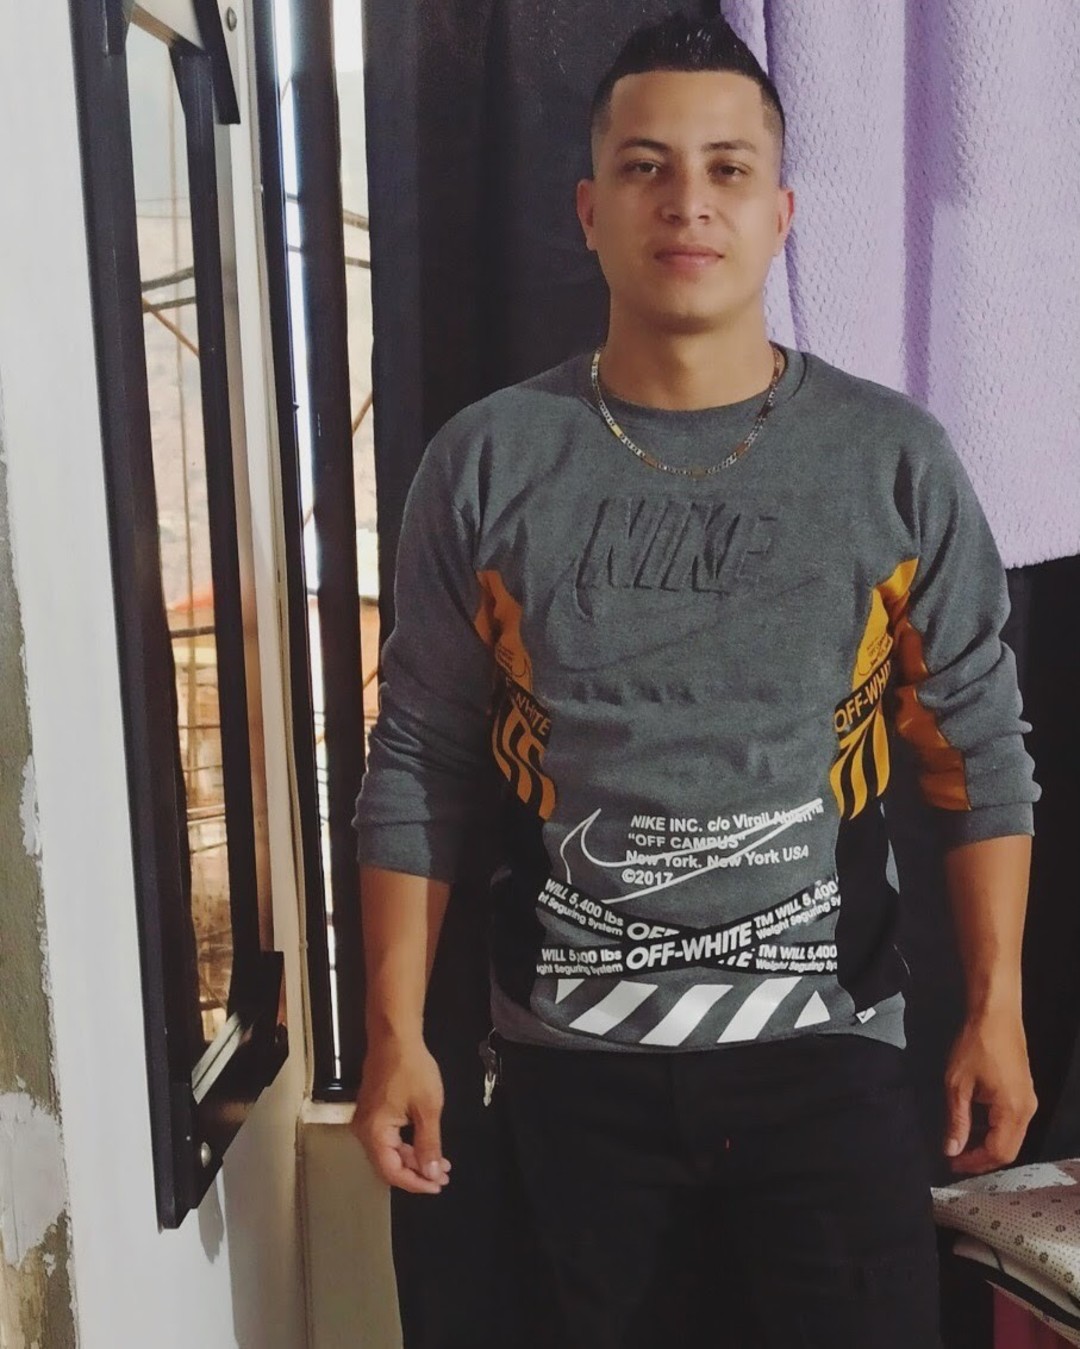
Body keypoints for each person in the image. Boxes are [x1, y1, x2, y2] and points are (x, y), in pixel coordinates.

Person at [351, 12, 1039, 1346]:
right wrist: (392, 1034)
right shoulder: (487, 462)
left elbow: (979, 750)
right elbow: (421, 753)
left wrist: (998, 1010)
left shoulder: (893, 460)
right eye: (646, 166)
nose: (688, 202)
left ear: (782, 212)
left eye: (728, 168)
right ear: (587, 210)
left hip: (828, 1063)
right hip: (568, 1081)